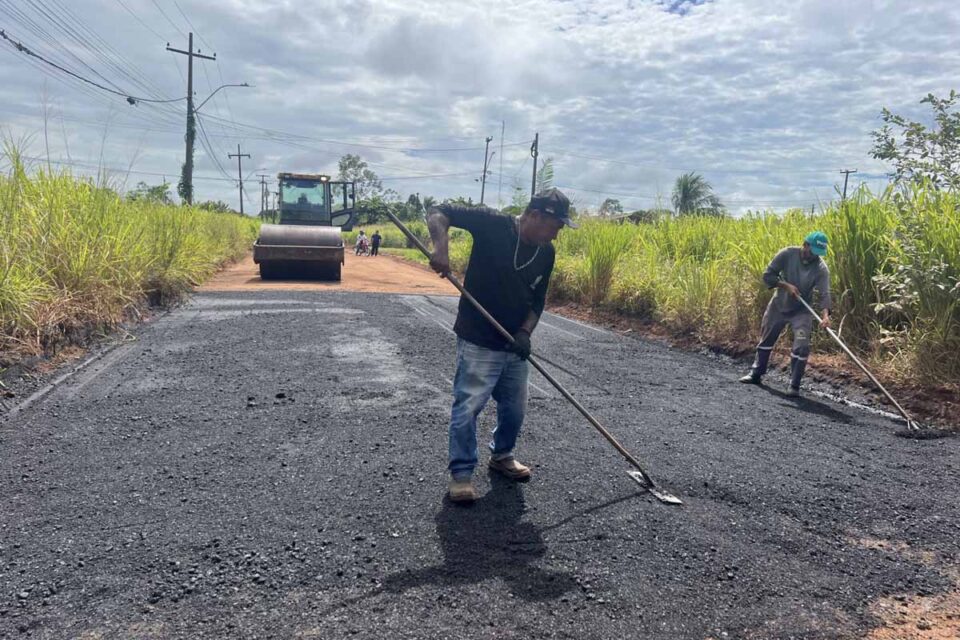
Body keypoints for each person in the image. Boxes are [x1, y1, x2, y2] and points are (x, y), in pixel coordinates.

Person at [427, 189, 577, 503]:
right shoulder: (492, 223)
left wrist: (525, 332)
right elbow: (439, 209)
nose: (556, 234)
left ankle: (502, 455)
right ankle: (462, 473)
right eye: (555, 226)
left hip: (514, 345)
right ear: (536, 215)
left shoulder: (546, 252)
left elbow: (538, 300)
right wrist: (441, 247)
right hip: (479, 338)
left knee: (515, 409)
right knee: (468, 407)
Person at [739, 231, 832, 397]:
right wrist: (785, 286)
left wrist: (825, 316)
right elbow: (768, 276)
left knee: (802, 346)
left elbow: (825, 294)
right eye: (813, 252)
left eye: (818, 254)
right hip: (779, 305)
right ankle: (756, 374)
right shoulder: (787, 254)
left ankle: (794, 386)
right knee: (766, 338)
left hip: (802, 311)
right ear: (805, 244)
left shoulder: (820, 267)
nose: (814, 257)